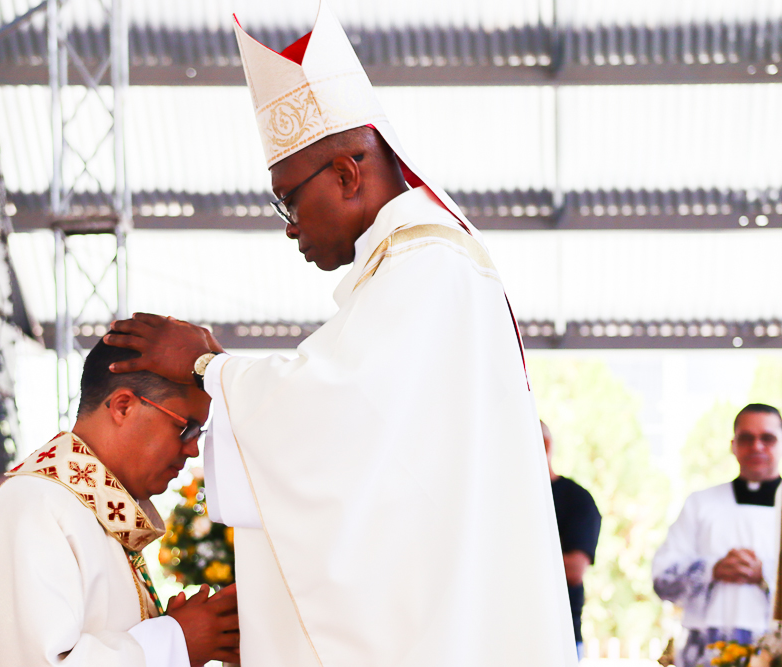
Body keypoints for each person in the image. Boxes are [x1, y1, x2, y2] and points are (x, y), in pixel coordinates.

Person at [104, 2, 576, 666]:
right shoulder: (416, 266)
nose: (289, 226)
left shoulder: (428, 267)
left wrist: (208, 366)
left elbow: (335, 416)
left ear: (348, 174)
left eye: (288, 198)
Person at [0, 339, 240, 666]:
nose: (193, 449)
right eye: (186, 428)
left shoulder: (89, 513)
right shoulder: (35, 506)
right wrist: (175, 641)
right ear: (123, 406)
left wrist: (173, 635)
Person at [653, 403, 782, 667]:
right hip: (705, 655)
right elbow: (662, 580)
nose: (757, 446)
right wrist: (712, 569)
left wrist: (767, 573)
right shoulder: (700, 504)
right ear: (733, 445)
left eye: (767, 438)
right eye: (746, 438)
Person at [542, 421, 602, 660]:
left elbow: (574, 570)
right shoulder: (499, 499)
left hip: (557, 639)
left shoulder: (576, 500)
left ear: (545, 445)